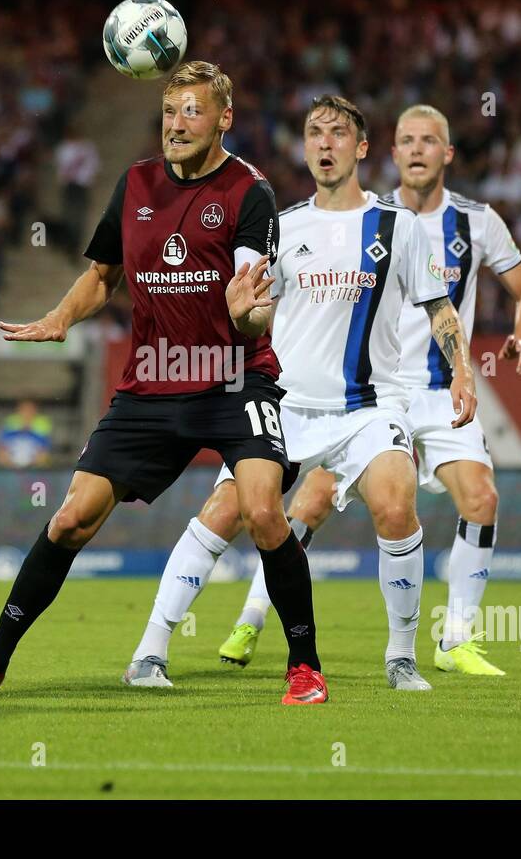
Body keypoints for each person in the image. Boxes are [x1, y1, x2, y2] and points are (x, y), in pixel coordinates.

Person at [0, 61, 330, 705]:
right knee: (70, 521)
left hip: (234, 379)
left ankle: (303, 666)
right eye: (169, 112)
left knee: (261, 511)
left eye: (192, 112)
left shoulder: (249, 192)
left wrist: (248, 310)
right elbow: (101, 275)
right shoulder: (135, 183)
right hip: (153, 383)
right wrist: (60, 316)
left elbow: (253, 301)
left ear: (224, 118)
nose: (176, 124)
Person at [123, 95, 474, 692]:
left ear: (361, 148)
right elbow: (251, 316)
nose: (325, 144)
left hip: (370, 407)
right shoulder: (280, 226)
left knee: (396, 505)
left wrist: (461, 370)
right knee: (225, 513)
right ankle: (150, 650)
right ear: (305, 146)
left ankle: (400, 657)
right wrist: (237, 317)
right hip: (284, 406)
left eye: (339, 134)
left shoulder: (401, 227)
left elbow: (438, 306)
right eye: (315, 133)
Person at [218, 104, 521, 676]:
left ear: (448, 153)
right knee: (310, 504)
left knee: (479, 498)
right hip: (370, 392)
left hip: (438, 389)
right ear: (389, 153)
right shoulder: (367, 218)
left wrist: (520, 336)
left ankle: (453, 639)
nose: (417, 150)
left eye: (429, 141)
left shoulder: (478, 221)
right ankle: (252, 616)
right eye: (407, 141)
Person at [0, 400, 53, 468]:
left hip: (34, 466)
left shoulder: (43, 424)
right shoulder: (10, 423)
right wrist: (9, 464)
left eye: (30, 410)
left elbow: (44, 451)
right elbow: (1, 449)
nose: (27, 413)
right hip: (11, 466)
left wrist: (34, 464)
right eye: (24, 410)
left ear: (35, 411)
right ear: (19, 410)